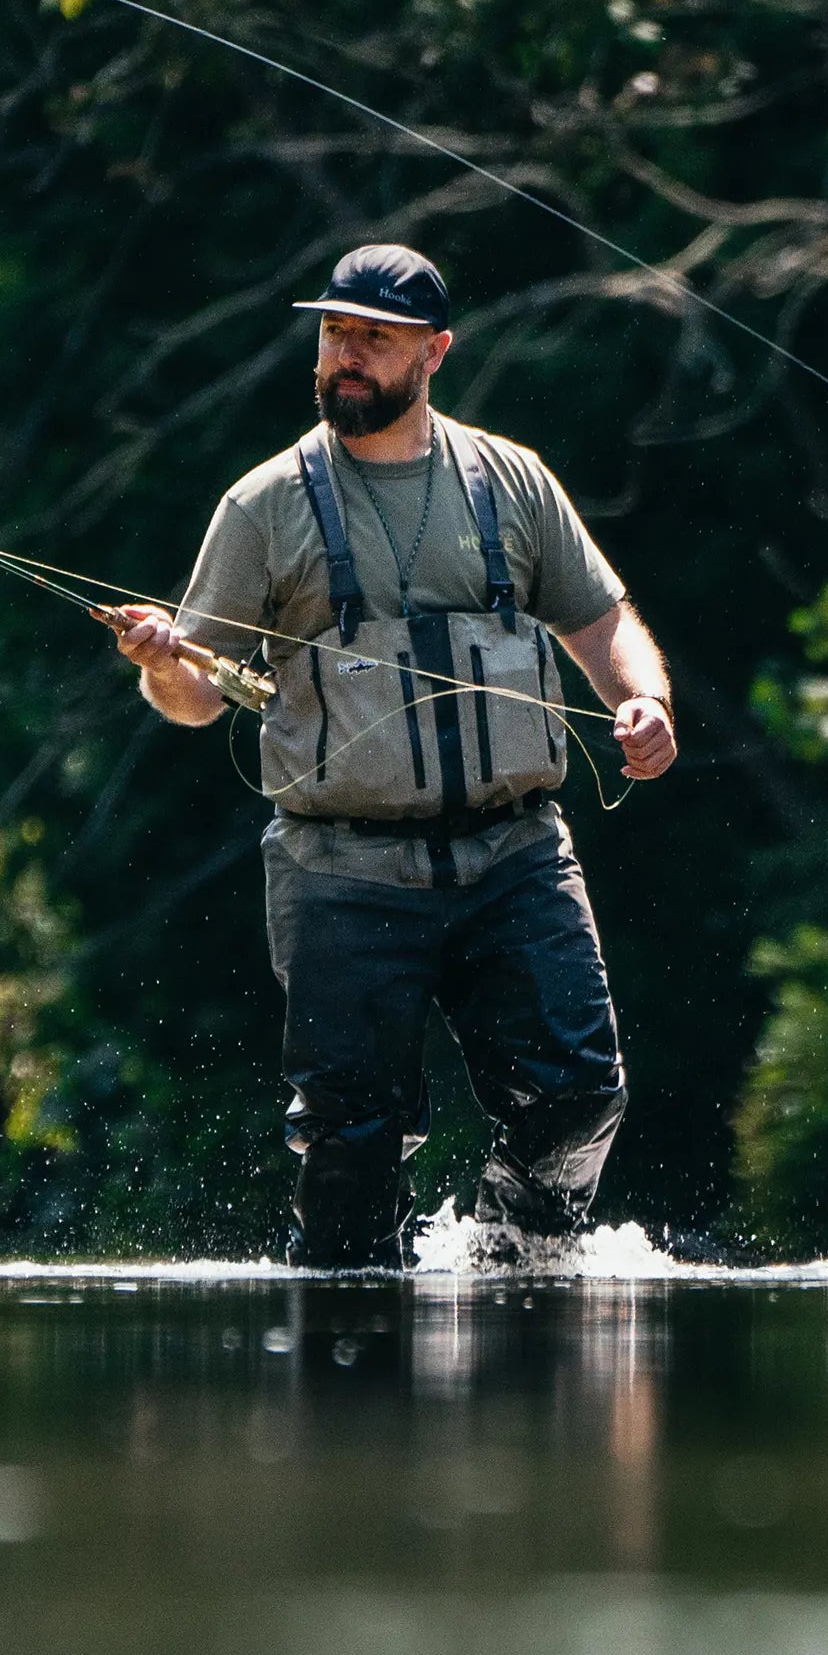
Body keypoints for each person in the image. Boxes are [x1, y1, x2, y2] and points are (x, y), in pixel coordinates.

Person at [110, 242, 676, 1270]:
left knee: (579, 1094)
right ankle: (351, 1380)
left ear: (435, 353)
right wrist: (158, 662)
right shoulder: (263, 505)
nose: (346, 357)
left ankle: (511, 1267)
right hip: (340, 872)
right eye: (334, 334)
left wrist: (644, 701)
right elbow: (195, 698)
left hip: (515, 857)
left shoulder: (511, 481)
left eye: (373, 337)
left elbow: (604, 621)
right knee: (352, 1146)